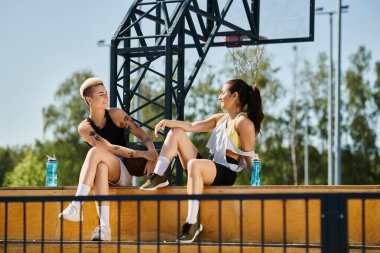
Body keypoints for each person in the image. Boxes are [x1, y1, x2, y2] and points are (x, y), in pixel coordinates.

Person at [140, 79, 264, 243]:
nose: (219, 96)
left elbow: (249, 156)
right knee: (176, 132)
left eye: (222, 93)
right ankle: (159, 175)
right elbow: (191, 126)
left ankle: (192, 223)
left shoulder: (243, 123)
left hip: (225, 174)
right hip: (208, 170)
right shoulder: (221, 118)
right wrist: (168, 122)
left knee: (194, 164)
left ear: (234, 96)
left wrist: (258, 185)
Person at [58, 77, 158, 241]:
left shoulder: (116, 114)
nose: (106, 97)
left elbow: (141, 133)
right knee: (99, 164)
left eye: (106, 93)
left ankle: (77, 204)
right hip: (103, 177)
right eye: (101, 94)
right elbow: (109, 148)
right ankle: (104, 228)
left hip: (123, 172)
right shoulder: (84, 127)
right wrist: (144, 154)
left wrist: (151, 152)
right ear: (89, 100)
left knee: (94, 153)